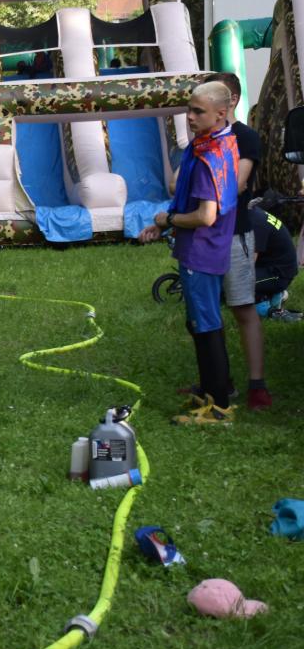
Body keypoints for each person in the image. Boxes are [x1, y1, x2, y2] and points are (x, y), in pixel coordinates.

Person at [138, 82, 240, 425]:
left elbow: (206, 216)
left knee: (205, 325)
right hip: (205, 248)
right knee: (200, 322)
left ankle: (219, 407)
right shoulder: (217, 142)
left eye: (199, 111)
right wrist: (166, 226)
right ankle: (210, 390)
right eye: (189, 110)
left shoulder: (211, 154)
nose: (190, 117)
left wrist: (168, 220)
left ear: (221, 113)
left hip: (202, 252)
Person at [208, 73, 272, 409]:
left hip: (234, 234)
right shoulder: (202, 138)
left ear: (230, 100)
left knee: (242, 307)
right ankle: (218, 382)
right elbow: (177, 183)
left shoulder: (245, 137)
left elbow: (237, 184)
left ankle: (257, 385)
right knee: (205, 312)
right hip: (203, 238)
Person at [251, 206, 299, 320]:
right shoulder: (254, 213)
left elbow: (248, 263)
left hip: (278, 274)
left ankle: (267, 304)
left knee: (232, 284)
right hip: (274, 268)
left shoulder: (255, 222)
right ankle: (273, 294)